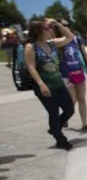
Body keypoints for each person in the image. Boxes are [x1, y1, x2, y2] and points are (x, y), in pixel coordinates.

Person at [24, 19, 76, 150]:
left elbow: (70, 37)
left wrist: (58, 24)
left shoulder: (52, 44)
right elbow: (31, 67)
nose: (51, 30)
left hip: (58, 83)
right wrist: (41, 84)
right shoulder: (31, 47)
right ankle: (60, 139)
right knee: (53, 113)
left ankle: (54, 128)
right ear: (39, 31)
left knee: (70, 109)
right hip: (45, 86)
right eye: (47, 29)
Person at [56, 21, 87, 131]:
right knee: (72, 100)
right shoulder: (58, 42)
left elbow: (84, 53)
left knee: (81, 98)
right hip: (66, 74)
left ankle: (84, 124)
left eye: (66, 24)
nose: (65, 27)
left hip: (79, 72)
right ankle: (65, 117)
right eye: (62, 25)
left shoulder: (76, 39)